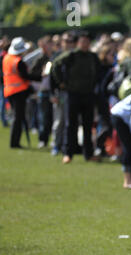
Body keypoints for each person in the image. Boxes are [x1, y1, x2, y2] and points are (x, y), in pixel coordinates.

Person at [52, 31, 101, 164]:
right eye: (82, 41)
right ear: (78, 43)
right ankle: (68, 153)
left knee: (88, 125)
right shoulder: (71, 55)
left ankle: (88, 154)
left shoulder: (92, 56)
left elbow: (99, 71)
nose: (85, 44)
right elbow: (55, 65)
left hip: (88, 94)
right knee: (70, 125)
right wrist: (61, 82)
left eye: (87, 42)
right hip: (72, 94)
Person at [3, 37, 41, 148]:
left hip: (9, 90)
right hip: (18, 92)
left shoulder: (7, 58)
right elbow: (25, 76)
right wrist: (40, 77)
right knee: (18, 118)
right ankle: (15, 143)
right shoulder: (18, 62)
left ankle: (14, 142)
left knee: (17, 117)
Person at [30, 35, 54, 149]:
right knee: (44, 117)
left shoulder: (54, 57)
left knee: (53, 117)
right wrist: (41, 73)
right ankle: (43, 139)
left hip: (54, 90)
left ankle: (53, 139)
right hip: (43, 91)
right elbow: (32, 74)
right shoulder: (40, 59)